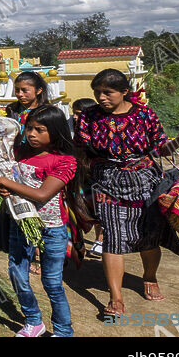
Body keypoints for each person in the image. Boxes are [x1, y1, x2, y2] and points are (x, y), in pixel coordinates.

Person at [75, 69, 179, 318]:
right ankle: (115, 297)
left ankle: (149, 276)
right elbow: (80, 150)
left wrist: (177, 142)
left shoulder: (144, 114)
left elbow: (161, 147)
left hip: (145, 180)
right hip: (107, 181)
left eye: (108, 92)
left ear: (125, 92)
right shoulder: (88, 116)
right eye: (97, 93)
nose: (102, 98)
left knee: (149, 234)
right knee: (113, 237)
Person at [0, 105, 89, 336]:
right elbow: (5, 178)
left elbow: (43, 194)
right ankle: (33, 321)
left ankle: (63, 331)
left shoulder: (65, 161)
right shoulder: (21, 153)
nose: (32, 134)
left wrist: (3, 181)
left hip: (52, 228)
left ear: (55, 131)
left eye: (40, 130)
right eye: (29, 128)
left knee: (52, 283)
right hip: (21, 222)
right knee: (17, 272)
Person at [0, 72, 51, 272]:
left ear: (38, 91)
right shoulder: (12, 110)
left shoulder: (47, 112)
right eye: (17, 90)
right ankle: (25, 250)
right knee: (20, 204)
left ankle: (40, 253)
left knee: (39, 207)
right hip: (16, 162)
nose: (20, 94)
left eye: (24, 90)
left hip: (39, 163)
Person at [71, 98, 104, 257]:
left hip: (96, 174)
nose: (75, 117)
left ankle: (101, 239)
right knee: (80, 206)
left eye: (79, 114)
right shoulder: (71, 126)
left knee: (99, 207)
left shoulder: (98, 130)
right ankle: (78, 240)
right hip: (79, 174)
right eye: (74, 113)